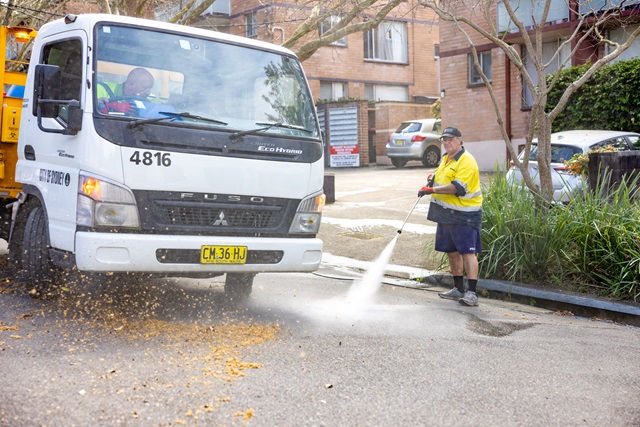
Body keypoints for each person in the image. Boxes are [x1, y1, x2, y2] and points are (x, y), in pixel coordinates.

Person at [417, 126, 483, 306]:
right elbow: (444, 178)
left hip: (465, 215)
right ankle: (457, 289)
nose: (447, 142)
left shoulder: (467, 161)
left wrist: (431, 190)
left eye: (451, 139)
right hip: (446, 215)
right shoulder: (446, 159)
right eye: (444, 139)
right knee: (452, 252)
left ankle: (472, 293)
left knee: (468, 253)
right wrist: (434, 177)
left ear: (460, 140)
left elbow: (457, 188)